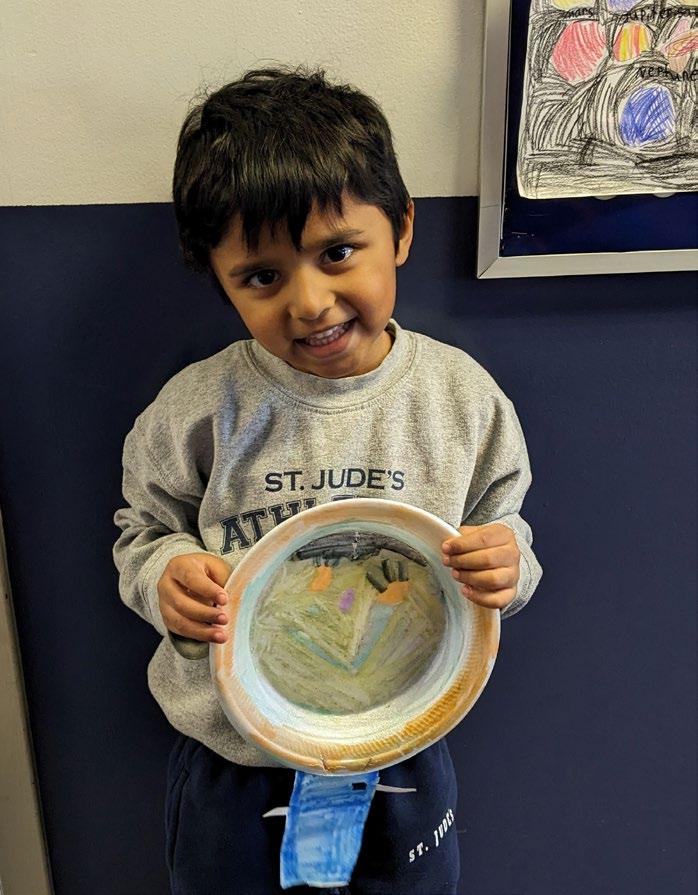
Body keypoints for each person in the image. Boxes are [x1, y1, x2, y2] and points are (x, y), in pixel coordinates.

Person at [113, 65, 542, 895]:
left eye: (338, 253)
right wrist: (163, 573)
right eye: (262, 276)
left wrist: (507, 565)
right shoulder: (196, 411)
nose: (310, 302)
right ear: (219, 277)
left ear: (402, 228)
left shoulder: (462, 401)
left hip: (404, 745)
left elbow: (507, 526)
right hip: (235, 761)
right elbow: (142, 528)